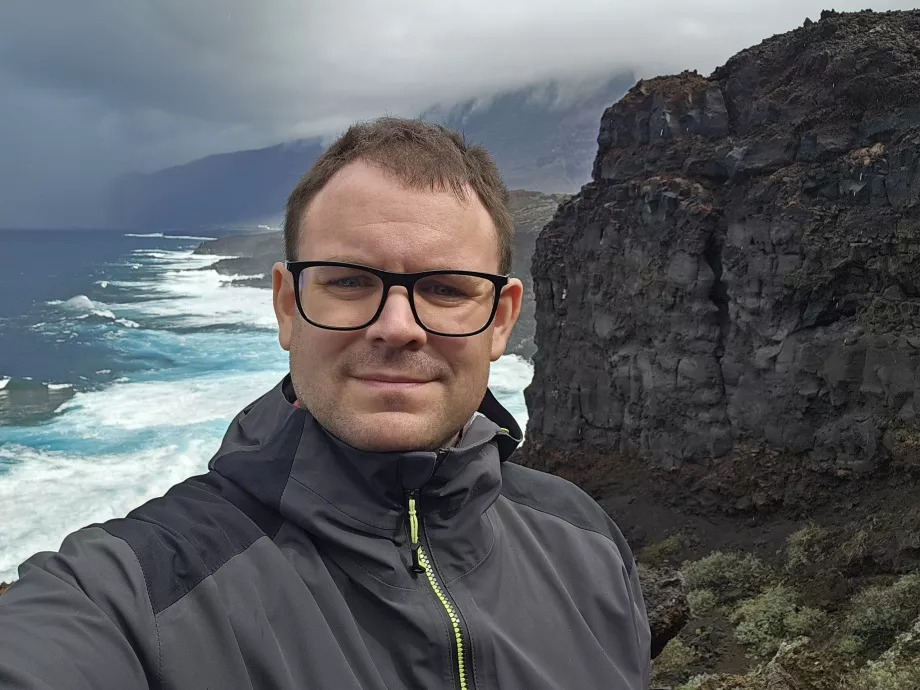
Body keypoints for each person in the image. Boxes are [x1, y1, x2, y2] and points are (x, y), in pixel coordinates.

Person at [0, 117, 651, 689]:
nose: (398, 327)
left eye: (448, 289)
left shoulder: (587, 544)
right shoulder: (138, 589)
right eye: (348, 280)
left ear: (502, 319)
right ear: (287, 305)